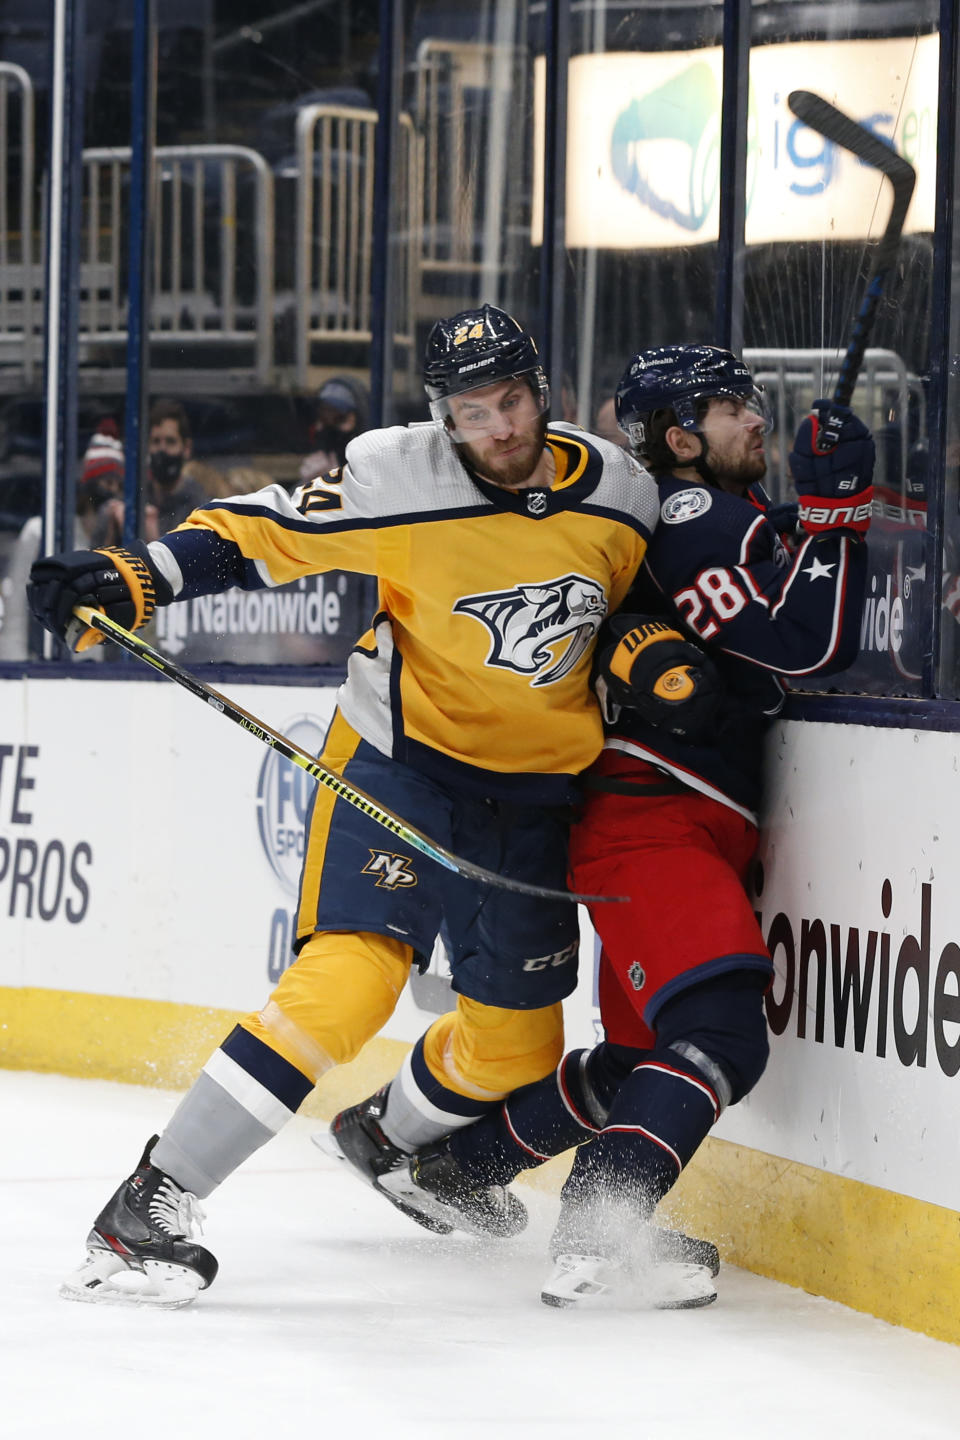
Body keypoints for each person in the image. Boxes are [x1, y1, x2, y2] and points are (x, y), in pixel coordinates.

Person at [26, 303, 668, 1307]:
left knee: (518, 1047)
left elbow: (632, 609)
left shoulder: (624, 493)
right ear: (442, 416)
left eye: (509, 400)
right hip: (403, 763)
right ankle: (150, 1202)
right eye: (471, 410)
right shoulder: (392, 476)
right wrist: (135, 576)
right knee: (352, 978)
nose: (497, 427)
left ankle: (387, 1141)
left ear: (541, 389)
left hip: (536, 793)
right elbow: (260, 532)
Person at [344, 344, 872, 1309]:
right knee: (719, 1033)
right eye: (730, 408)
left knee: (638, 1059)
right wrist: (840, 516)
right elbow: (811, 647)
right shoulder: (696, 512)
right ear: (681, 438)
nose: (754, 419)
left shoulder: (693, 517)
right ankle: (601, 1213)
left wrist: (806, 526)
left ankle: (452, 1170)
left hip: (649, 815)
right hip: (656, 816)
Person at [0, 420, 125, 661]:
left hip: (104, 677)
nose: (112, 493)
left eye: (119, 486)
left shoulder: (124, 545)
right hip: (43, 668)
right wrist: (15, 669)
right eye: (107, 483)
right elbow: (16, 612)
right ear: (89, 486)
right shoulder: (41, 533)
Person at [143, 398, 209, 537]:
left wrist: (152, 534)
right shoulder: (138, 496)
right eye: (156, 441)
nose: (162, 449)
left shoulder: (198, 507)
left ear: (186, 448)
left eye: (170, 442)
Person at [299, 374, 369, 483]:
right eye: (323, 413)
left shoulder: (365, 452)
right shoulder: (323, 442)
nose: (324, 425)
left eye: (340, 418)